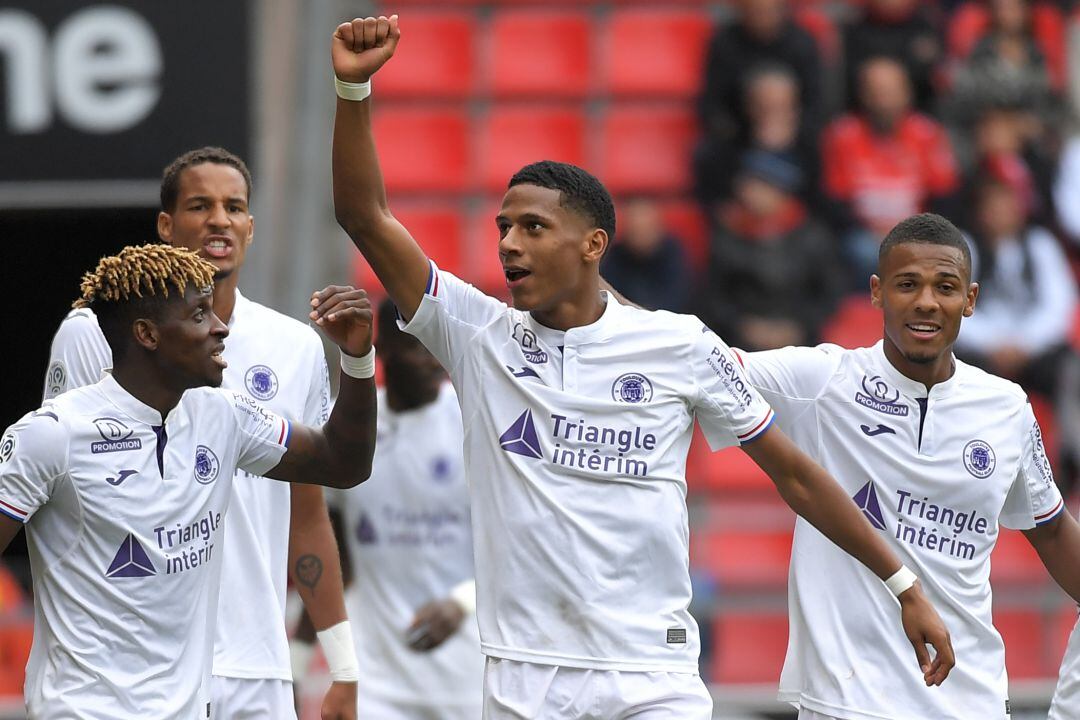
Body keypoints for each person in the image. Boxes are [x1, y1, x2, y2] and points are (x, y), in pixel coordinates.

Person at [329, 15, 953, 718]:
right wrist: (352, 93)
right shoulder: (480, 338)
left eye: (533, 227)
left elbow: (798, 476)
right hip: (525, 678)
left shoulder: (677, 344)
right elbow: (365, 217)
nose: (508, 243)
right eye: (503, 227)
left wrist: (904, 586)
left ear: (593, 243)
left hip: (651, 677)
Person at [42, 148, 359, 719]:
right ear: (166, 226)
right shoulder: (94, 334)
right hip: (127, 669)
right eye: (199, 205)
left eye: (234, 207)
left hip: (255, 665)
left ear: (251, 227)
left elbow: (307, 513)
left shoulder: (295, 346)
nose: (220, 220)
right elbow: (55, 492)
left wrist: (341, 664)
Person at [730, 213, 1080, 720]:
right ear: (876, 292)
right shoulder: (822, 380)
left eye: (945, 287)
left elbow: (1050, 530)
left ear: (971, 299)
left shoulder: (1006, 407)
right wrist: (595, 293)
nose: (926, 302)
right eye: (907, 284)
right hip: (847, 703)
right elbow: (692, 358)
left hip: (970, 700)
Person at [309, 299, 484, 718]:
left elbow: (521, 547)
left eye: (434, 347)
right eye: (414, 347)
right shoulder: (348, 428)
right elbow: (330, 559)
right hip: (379, 683)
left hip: (468, 679)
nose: (430, 362)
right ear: (381, 348)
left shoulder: (474, 422)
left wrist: (462, 602)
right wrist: (302, 659)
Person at [822, 56, 959, 283]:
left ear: (907, 93)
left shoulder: (927, 134)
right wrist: (873, 232)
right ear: (863, 95)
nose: (884, 102)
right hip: (863, 235)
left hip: (919, 234)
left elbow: (945, 197)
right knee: (863, 252)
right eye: (876, 92)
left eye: (891, 92)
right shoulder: (843, 135)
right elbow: (835, 202)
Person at [701, 150, 843, 351]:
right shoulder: (729, 234)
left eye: (760, 186)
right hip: (739, 344)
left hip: (800, 342)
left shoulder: (812, 236)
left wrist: (798, 327)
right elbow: (714, 295)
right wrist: (744, 326)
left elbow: (829, 292)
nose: (749, 193)